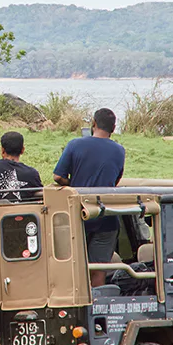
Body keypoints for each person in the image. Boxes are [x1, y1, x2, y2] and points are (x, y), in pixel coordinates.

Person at [53, 108, 126, 284]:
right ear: (113, 128)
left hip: (79, 215)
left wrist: (74, 185)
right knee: (99, 270)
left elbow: (58, 176)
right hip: (106, 216)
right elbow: (115, 181)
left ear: (93, 123)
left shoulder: (75, 144)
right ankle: (97, 306)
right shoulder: (119, 151)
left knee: (73, 267)